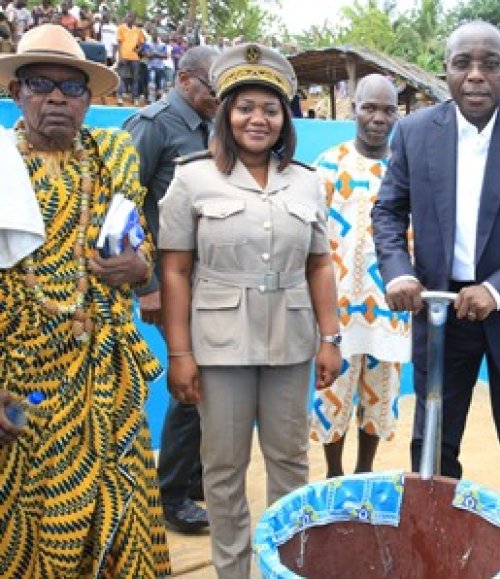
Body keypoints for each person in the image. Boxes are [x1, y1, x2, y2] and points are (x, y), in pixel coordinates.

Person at [371, 20, 500, 579]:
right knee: (434, 439)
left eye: (491, 63)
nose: (477, 74)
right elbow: (388, 211)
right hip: (440, 313)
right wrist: (397, 270)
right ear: (447, 69)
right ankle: (433, 536)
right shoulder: (415, 134)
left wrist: (498, 289)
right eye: (464, 62)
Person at [158, 42, 342, 578]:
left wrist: (330, 337)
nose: (257, 118)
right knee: (223, 469)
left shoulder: (306, 180)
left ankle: (287, 568)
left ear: (285, 117)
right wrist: (181, 353)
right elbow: (173, 270)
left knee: (290, 464)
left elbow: (318, 266)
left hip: (290, 341)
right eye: (245, 106)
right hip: (219, 345)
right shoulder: (193, 177)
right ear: (224, 113)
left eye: (270, 108)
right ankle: (233, 571)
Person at [0, 24, 170, 577]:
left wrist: (138, 267)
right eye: (40, 84)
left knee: (120, 518)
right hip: (25, 390)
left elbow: (141, 252)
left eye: (71, 88)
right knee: (33, 534)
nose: (56, 98)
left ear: (88, 100)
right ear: (15, 93)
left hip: (109, 383)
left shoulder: (112, 159)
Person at [123, 44, 219, 535]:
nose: (219, 99)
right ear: (184, 79)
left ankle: (195, 476)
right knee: (191, 383)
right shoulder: (153, 125)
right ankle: (173, 495)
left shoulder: (211, 127)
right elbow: (121, 205)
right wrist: (149, 286)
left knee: (210, 378)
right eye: (212, 88)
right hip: (169, 284)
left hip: (210, 281)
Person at [309, 74, 410, 478]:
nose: (378, 117)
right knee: (332, 397)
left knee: (380, 400)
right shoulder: (328, 165)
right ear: (355, 108)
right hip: (337, 313)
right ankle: (334, 474)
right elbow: (311, 241)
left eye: (388, 110)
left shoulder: (406, 168)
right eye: (370, 107)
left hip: (390, 309)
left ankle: (364, 471)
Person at [116, 11, 144, 106]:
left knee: (135, 78)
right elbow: (119, 43)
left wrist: (138, 49)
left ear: (134, 19)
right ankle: (120, 98)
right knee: (122, 77)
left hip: (135, 57)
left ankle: (135, 98)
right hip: (124, 56)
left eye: (131, 17)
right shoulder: (121, 28)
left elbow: (142, 42)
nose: (129, 18)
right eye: (127, 16)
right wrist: (120, 56)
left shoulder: (138, 30)